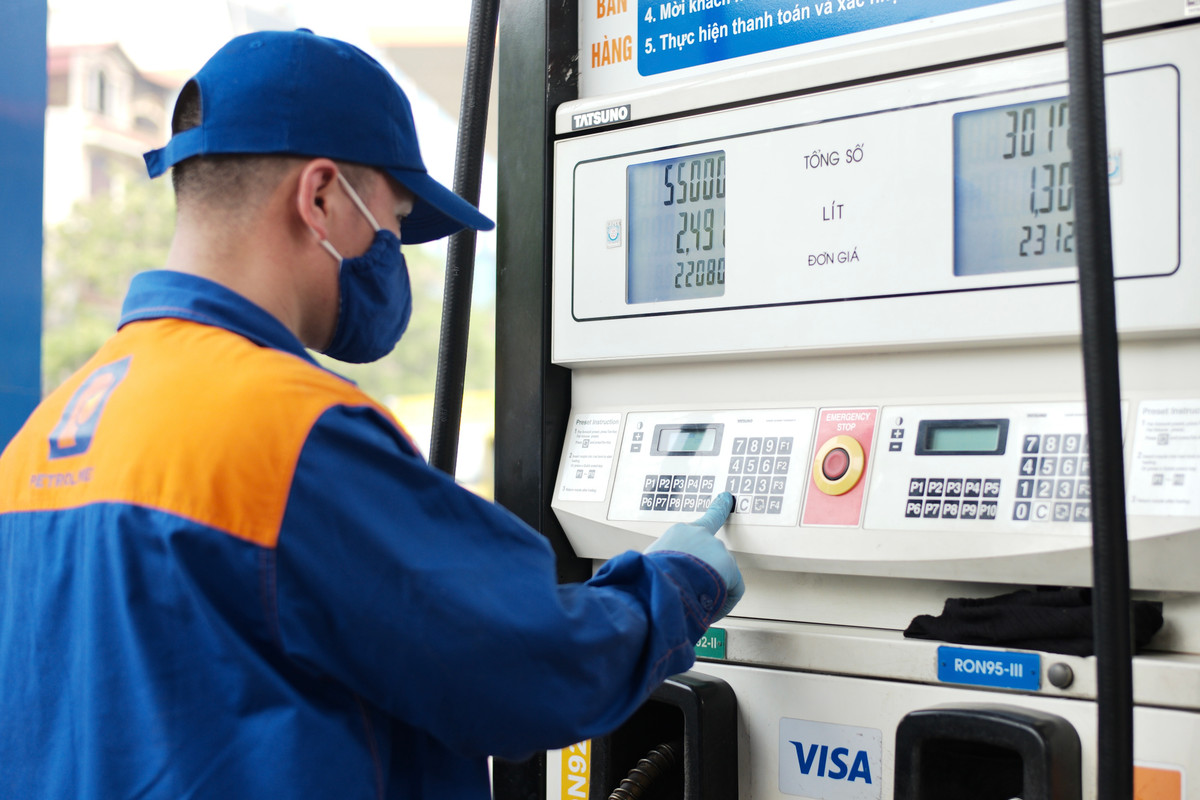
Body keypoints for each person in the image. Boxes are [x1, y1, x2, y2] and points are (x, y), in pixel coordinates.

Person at [0, 29, 743, 800]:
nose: (394, 250)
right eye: (392, 219)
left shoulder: (35, 447)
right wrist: (676, 587)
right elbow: (530, 666)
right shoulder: (287, 433)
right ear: (320, 197)